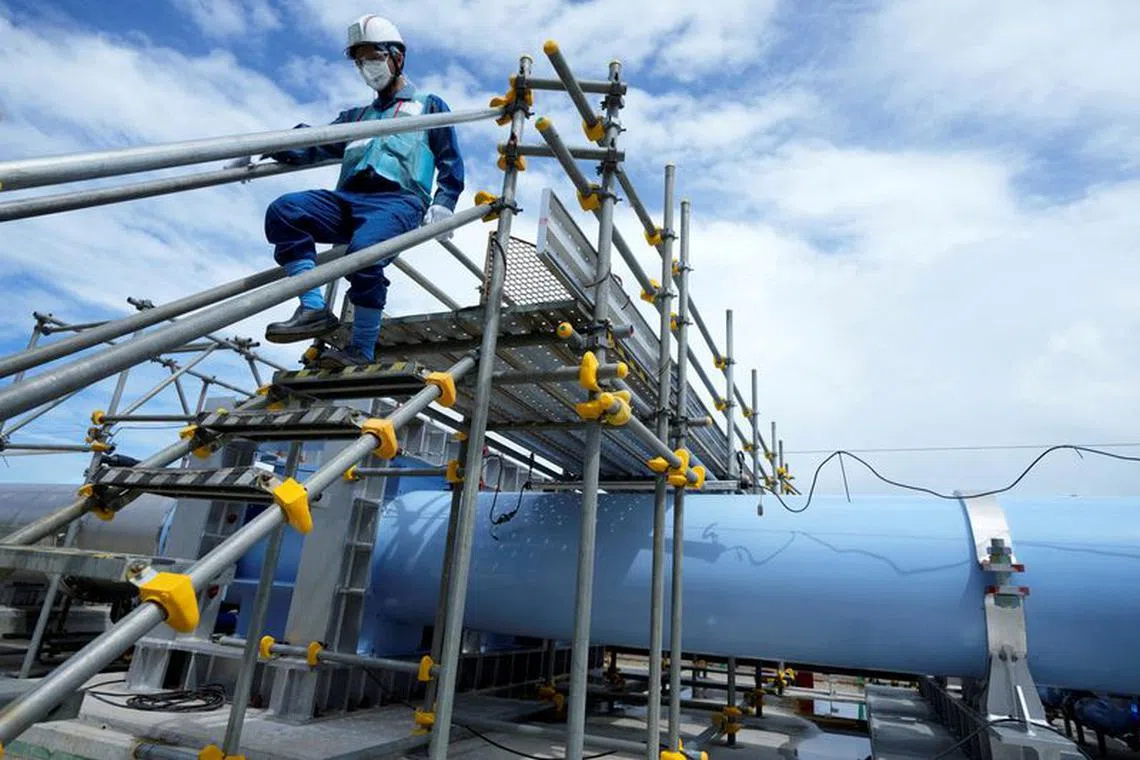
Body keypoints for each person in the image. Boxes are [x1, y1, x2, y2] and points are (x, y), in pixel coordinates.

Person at [256, 15, 464, 368]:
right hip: (347, 200)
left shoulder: (429, 105)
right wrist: (264, 147)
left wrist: (446, 201)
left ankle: (361, 350)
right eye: (360, 61)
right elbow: (313, 143)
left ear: (397, 57)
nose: (367, 67)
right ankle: (313, 309)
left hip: (399, 201)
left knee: (365, 254)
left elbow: (450, 158)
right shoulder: (355, 117)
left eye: (374, 57)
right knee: (285, 210)